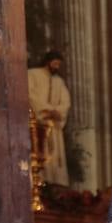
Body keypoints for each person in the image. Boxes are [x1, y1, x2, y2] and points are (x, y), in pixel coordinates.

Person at [27, 51, 70, 185]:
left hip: (54, 126)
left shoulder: (59, 82)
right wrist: (47, 110)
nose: (56, 67)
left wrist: (57, 112)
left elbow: (66, 102)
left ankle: (56, 185)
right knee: (40, 154)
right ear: (48, 61)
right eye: (55, 63)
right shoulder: (32, 74)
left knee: (56, 158)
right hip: (39, 124)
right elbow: (31, 94)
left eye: (59, 64)